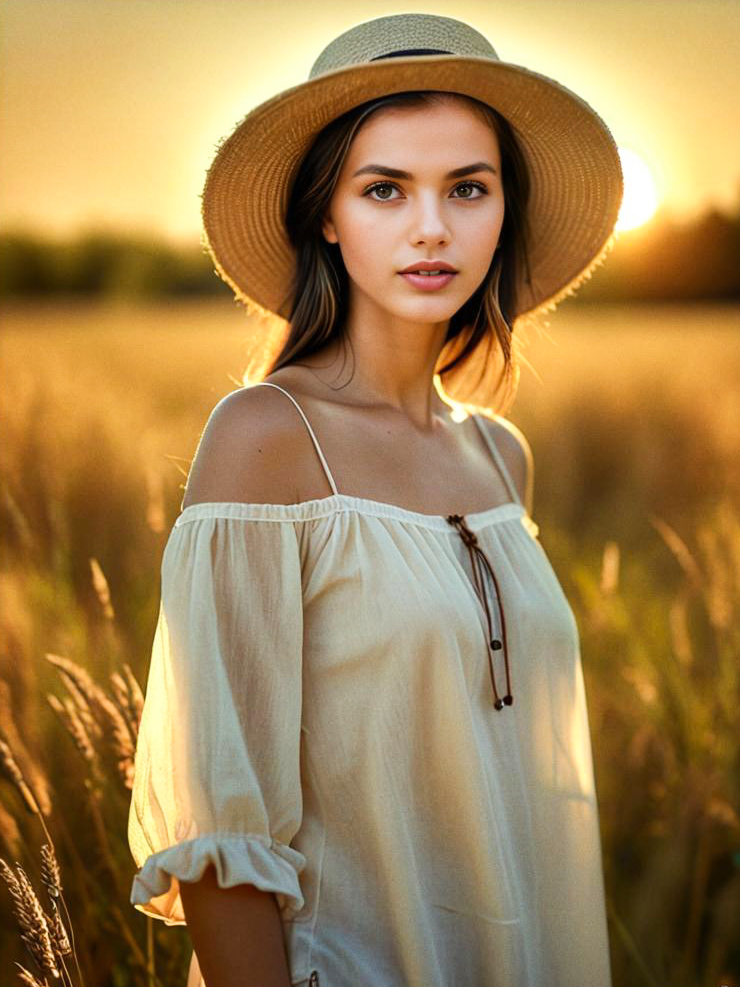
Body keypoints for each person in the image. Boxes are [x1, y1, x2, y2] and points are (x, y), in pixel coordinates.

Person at [127, 12, 623, 987]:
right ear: (326, 213)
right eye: (384, 189)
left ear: (503, 212)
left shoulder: (497, 457)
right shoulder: (265, 439)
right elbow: (222, 837)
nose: (430, 227)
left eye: (466, 189)